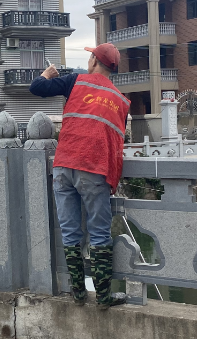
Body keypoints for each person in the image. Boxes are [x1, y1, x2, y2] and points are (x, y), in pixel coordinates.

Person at [30, 44, 131, 310]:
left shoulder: (76, 82)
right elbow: (117, 144)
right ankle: (104, 297)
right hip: (94, 169)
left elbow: (36, 89)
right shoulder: (121, 100)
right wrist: (113, 177)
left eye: (90, 56)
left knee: (70, 232)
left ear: (94, 61)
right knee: (99, 234)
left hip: (63, 166)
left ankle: (77, 293)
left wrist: (47, 75)